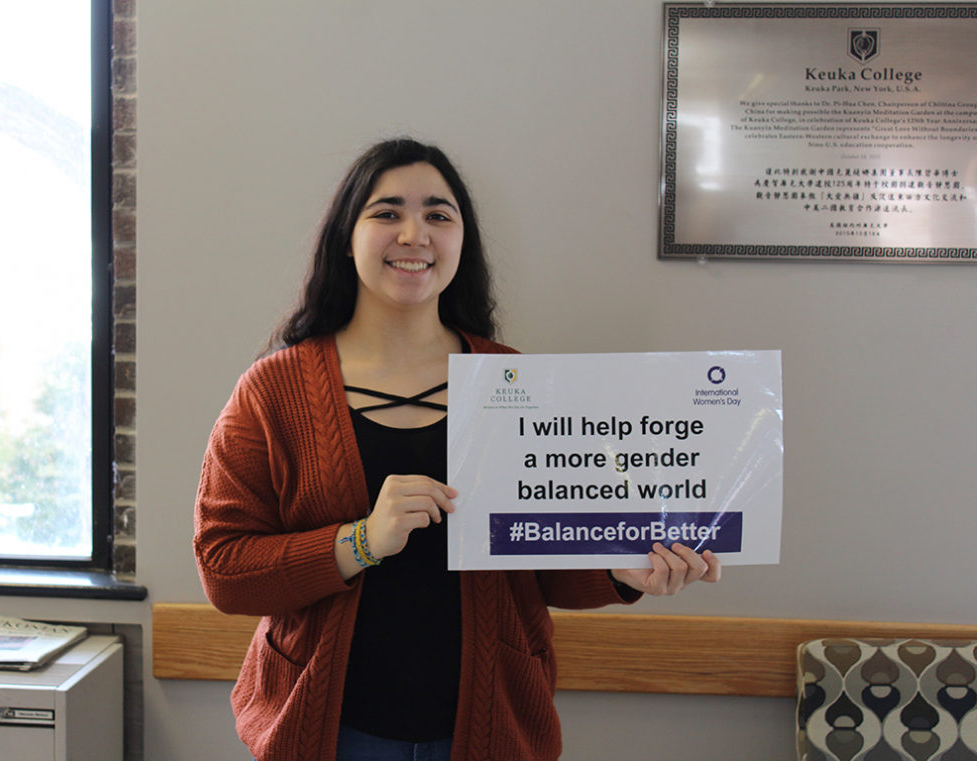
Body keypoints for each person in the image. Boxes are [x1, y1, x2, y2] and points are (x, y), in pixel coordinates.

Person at [193, 137, 721, 761]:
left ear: (461, 242)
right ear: (346, 238)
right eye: (387, 212)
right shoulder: (272, 391)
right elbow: (224, 569)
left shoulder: (516, 381)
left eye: (438, 215)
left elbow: (537, 560)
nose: (414, 233)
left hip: (489, 730)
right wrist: (359, 541)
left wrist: (616, 569)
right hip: (328, 735)